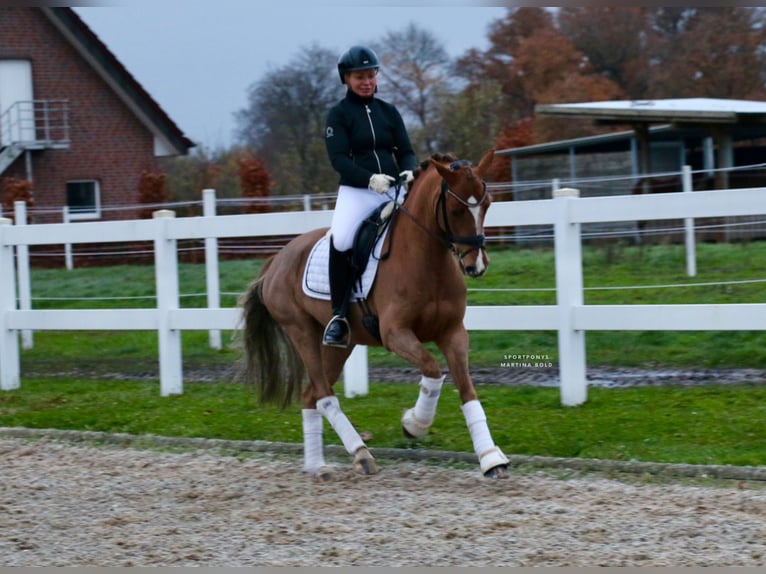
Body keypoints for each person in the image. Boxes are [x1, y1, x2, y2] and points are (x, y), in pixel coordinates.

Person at [322, 45, 418, 348]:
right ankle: (338, 316)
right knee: (341, 240)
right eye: (359, 76)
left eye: (370, 75)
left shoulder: (388, 112)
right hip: (357, 191)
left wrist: (409, 171)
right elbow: (338, 159)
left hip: (392, 188)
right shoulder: (338, 115)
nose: (366, 81)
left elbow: (406, 150)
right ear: (347, 79)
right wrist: (368, 179)